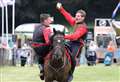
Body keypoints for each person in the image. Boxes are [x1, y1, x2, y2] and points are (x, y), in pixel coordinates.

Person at [56, 2, 88, 81]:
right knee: (57, 48)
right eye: (76, 16)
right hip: (70, 42)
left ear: (83, 18)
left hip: (77, 44)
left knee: (72, 58)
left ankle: (70, 74)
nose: (76, 17)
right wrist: (61, 8)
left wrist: (63, 36)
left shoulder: (83, 27)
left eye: (78, 16)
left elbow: (75, 37)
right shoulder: (75, 22)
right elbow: (68, 16)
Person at [32, 13, 54, 80]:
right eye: (49, 19)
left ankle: (41, 69)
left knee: (41, 58)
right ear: (45, 21)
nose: (50, 20)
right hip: (42, 47)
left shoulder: (36, 26)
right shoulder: (46, 29)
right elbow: (48, 41)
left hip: (35, 48)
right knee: (57, 49)